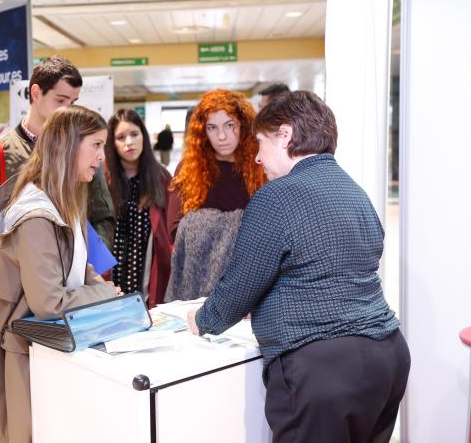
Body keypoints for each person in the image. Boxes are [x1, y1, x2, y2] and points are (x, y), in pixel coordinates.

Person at [188, 92, 409, 443]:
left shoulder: (276, 196)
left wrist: (203, 319)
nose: (258, 157)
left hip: (322, 370)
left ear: (286, 135)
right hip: (388, 356)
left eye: (261, 143)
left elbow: (241, 285)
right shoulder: (355, 192)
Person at [0, 106, 120, 443]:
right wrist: (105, 296)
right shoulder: (36, 214)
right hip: (25, 355)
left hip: (49, 349)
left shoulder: (66, 198)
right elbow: (48, 301)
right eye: (96, 145)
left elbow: (77, 263)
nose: (102, 157)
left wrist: (103, 289)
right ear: (69, 145)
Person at [0, 55, 115, 249]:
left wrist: (87, 261)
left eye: (73, 101)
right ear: (36, 93)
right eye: (61, 100)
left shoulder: (81, 148)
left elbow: (103, 216)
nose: (68, 109)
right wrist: (23, 253)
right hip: (19, 272)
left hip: (73, 272)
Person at [165, 89, 266, 301]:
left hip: (250, 283)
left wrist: (205, 222)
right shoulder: (188, 170)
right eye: (212, 128)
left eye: (230, 126)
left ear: (243, 126)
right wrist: (239, 223)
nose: (221, 136)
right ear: (203, 132)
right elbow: (175, 229)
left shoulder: (261, 168)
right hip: (196, 283)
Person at [105, 109, 171, 308]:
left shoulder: (161, 178)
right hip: (109, 279)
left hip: (148, 277)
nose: (129, 143)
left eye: (135, 134)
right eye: (121, 137)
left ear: (144, 135)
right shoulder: (103, 179)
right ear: (112, 143)